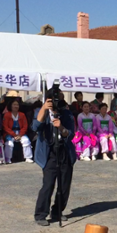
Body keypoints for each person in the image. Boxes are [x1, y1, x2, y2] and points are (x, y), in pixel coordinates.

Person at [32, 91, 76, 226]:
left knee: (64, 185)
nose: (59, 102)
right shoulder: (41, 111)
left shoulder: (66, 113)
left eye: (61, 99)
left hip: (64, 151)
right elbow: (35, 127)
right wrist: (45, 108)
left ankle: (57, 211)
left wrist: (61, 127)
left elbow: (71, 134)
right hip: (49, 152)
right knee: (48, 184)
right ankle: (40, 214)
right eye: (56, 99)